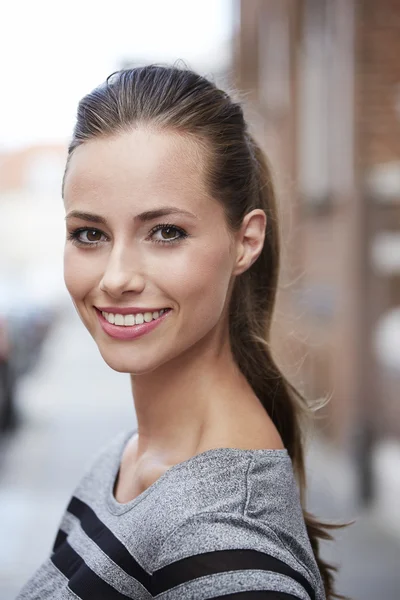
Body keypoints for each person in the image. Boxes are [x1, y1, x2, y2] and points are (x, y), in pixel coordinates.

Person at [17, 65, 344, 600]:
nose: (116, 277)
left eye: (165, 232)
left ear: (246, 240)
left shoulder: (226, 545)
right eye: (90, 233)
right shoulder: (125, 458)